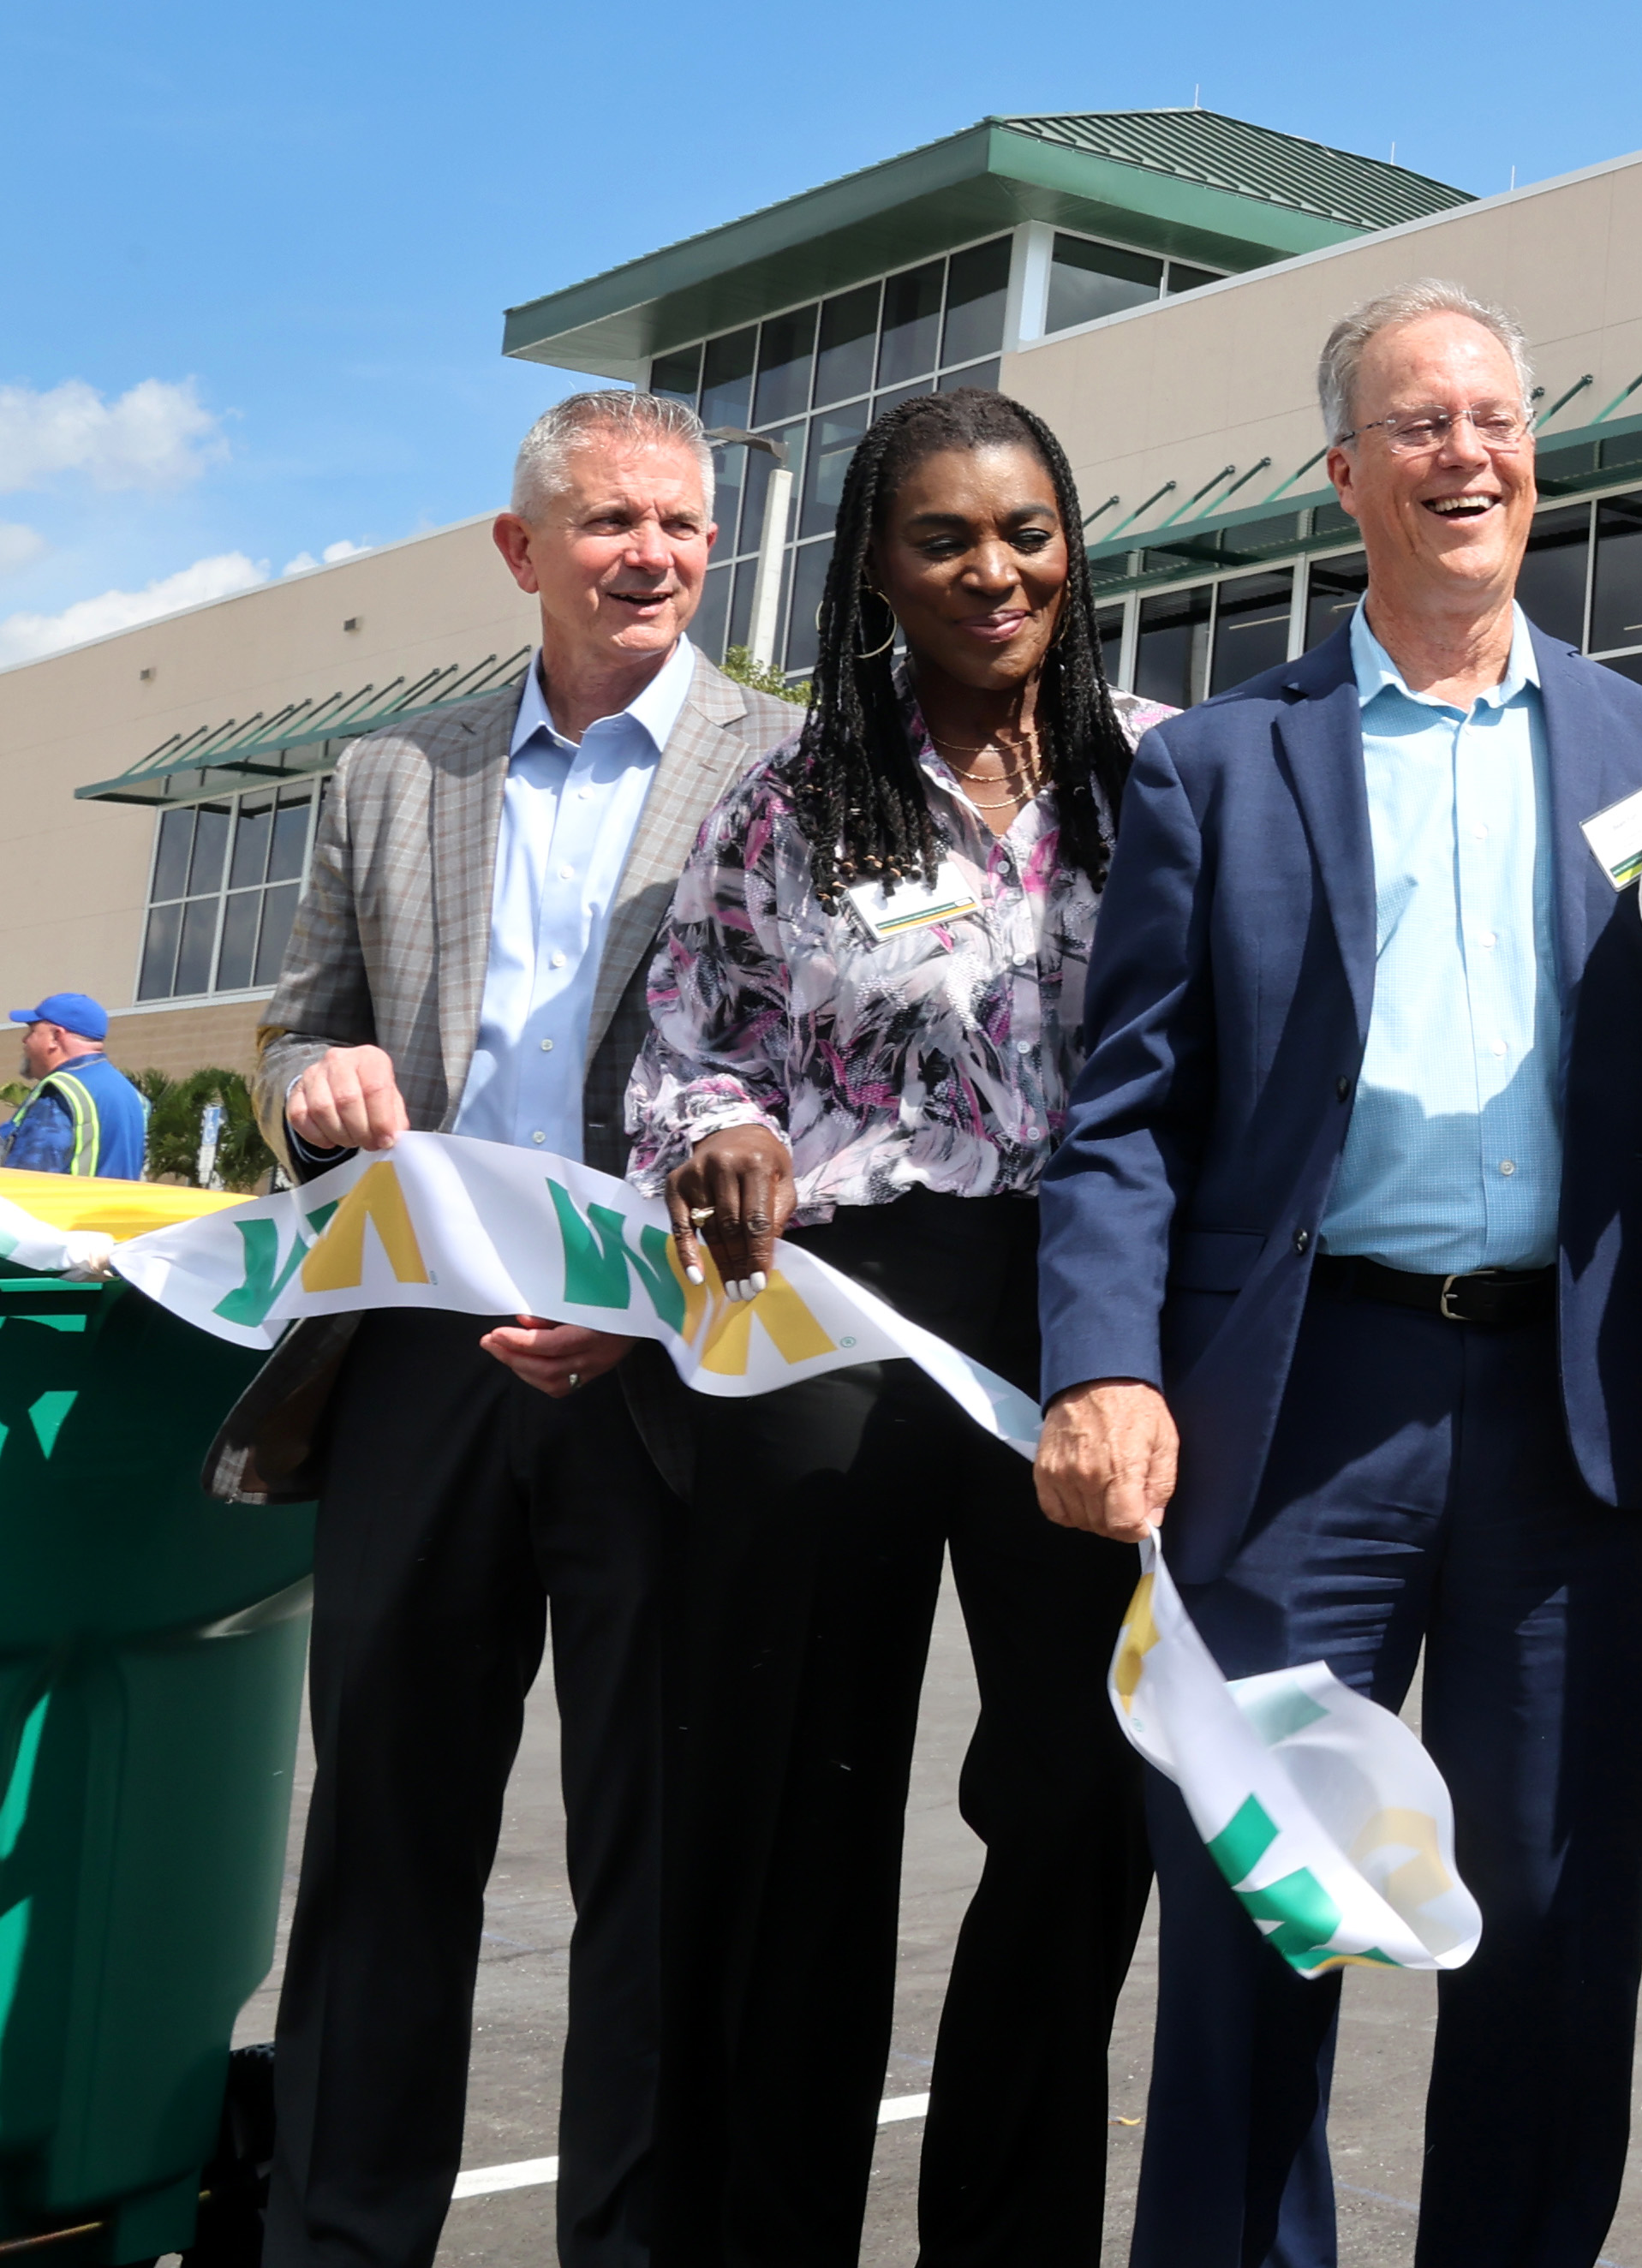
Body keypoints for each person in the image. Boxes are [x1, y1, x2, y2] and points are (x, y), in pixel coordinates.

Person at [1036, 275, 1642, 2268]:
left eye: (1497, 419)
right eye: (1419, 422)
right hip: (1295, 1412)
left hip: (1573, 1411)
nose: (1467, 452)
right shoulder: (1218, 767)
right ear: (1346, 472)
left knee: (1546, 1910)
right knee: (1265, 1903)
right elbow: (1125, 1112)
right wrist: (1101, 1361)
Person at [230, 390, 802, 2268]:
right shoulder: (396, 773)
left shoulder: (786, 765)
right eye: (614, 521)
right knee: (384, 1844)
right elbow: (299, 1024)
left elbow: (816, 1067)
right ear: (522, 547)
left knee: (653, 1874)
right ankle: (339, 2234)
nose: (653, 554)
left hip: (666, 1370)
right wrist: (317, 1082)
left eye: (683, 526)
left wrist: (665, 1290)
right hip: (422, 1355)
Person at [624, 388, 1161, 2268]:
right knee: (795, 1809)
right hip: (838, 1316)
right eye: (944, 536)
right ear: (878, 564)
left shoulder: (1155, 776)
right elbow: (684, 1052)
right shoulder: (787, 796)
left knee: (1088, 1799)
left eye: (1024, 528)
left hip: (1082, 1316)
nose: (992, 568)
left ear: (1071, 542)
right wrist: (724, 1124)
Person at [0, 990, 152, 1178]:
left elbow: (30, 1182)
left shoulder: (61, 1092)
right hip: (114, 1208)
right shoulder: (132, 1096)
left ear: (55, 1036)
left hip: (61, 1208)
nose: (25, 1040)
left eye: (32, 1031)